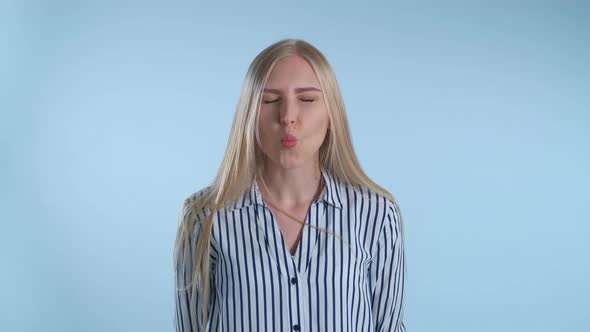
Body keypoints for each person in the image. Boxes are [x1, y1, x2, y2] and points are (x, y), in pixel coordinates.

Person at [174, 38, 406, 332]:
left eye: (307, 99)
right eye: (270, 101)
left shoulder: (376, 216)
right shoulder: (205, 217)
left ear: (332, 114)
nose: (287, 117)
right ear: (249, 117)